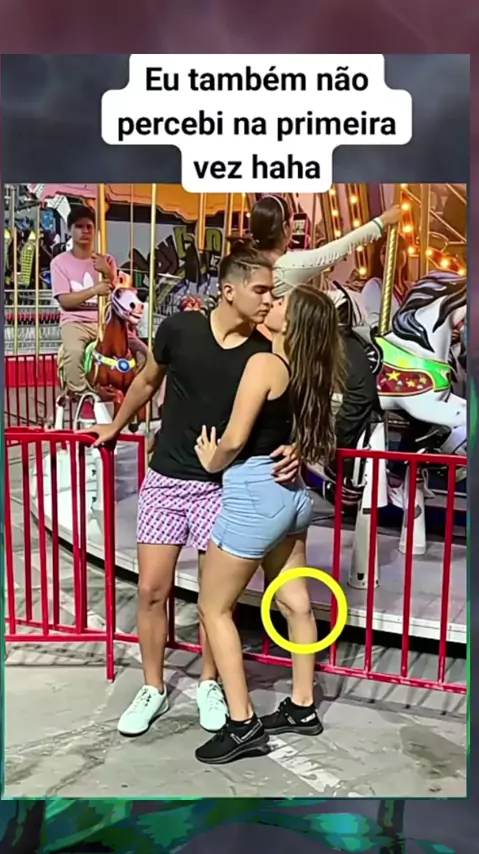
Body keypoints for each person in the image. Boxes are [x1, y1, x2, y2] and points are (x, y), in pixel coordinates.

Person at [91, 242, 299, 738]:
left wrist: (296, 448)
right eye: (260, 290)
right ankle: (153, 687)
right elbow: (147, 381)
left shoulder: (262, 354)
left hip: (222, 485)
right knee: (151, 589)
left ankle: (209, 682)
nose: (268, 300)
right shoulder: (180, 330)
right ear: (228, 291)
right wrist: (116, 426)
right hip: (166, 477)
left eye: (272, 292)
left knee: (214, 597)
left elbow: (280, 415)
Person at [193, 281, 346, 765]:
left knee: (213, 607)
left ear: (292, 323)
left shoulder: (265, 364)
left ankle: (242, 724)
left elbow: (235, 438)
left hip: (255, 494)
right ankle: (302, 706)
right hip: (293, 496)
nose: (269, 304)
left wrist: (211, 459)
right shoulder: (307, 371)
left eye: (280, 303)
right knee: (295, 601)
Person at [248, 195, 402, 293]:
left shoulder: (254, 265)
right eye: (291, 221)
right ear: (285, 227)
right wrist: (382, 221)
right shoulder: (287, 266)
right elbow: (339, 249)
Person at [51, 205, 117, 395]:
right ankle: (82, 392)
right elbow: (65, 301)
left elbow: (114, 291)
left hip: (105, 320)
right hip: (75, 322)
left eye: (89, 226)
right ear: (70, 230)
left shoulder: (107, 260)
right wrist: (94, 290)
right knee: (74, 352)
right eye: (79, 226)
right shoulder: (59, 263)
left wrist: (107, 271)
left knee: (142, 352)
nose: (85, 231)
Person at [361, 233, 409, 328]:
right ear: (379, 258)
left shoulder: (412, 287)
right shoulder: (374, 286)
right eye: (385, 251)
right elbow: (374, 324)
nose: (393, 253)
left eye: (399, 248)